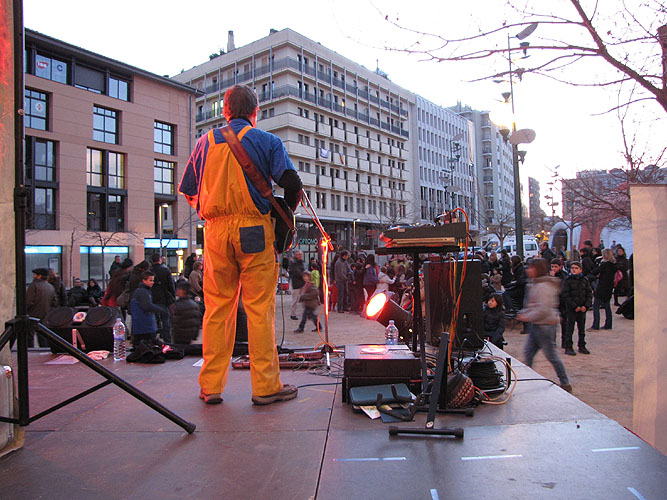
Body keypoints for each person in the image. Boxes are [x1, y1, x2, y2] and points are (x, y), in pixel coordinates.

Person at [179, 84, 302, 406]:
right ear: (255, 112)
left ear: (225, 111)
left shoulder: (204, 143)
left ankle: (211, 386)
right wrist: (285, 217)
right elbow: (292, 182)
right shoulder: (267, 141)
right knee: (259, 310)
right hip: (254, 230)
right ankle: (265, 387)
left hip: (215, 231)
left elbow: (189, 189)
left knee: (217, 309)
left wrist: (210, 209)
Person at [517, 258, 572, 393]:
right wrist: (525, 313)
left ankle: (565, 382)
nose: (528, 270)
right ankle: (526, 381)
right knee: (528, 354)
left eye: (531, 268)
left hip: (545, 326)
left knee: (551, 355)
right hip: (538, 325)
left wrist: (527, 316)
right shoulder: (535, 284)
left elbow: (543, 309)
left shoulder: (543, 287)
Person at [129, 271, 169, 346]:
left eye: (153, 280)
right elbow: (147, 306)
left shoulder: (141, 291)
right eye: (150, 280)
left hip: (141, 325)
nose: (152, 282)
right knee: (147, 345)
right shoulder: (143, 292)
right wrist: (162, 309)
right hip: (145, 326)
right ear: (144, 281)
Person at [561, 261, 593, 355]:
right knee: (570, 328)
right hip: (572, 309)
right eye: (572, 268)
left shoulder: (585, 280)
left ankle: (582, 345)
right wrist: (574, 306)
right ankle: (568, 346)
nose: (574, 270)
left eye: (576, 268)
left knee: (581, 328)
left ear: (580, 270)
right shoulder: (567, 280)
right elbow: (566, 295)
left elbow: (589, 293)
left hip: (582, 308)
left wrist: (586, 306)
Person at [26, 267, 56, 347]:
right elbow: (54, 302)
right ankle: (44, 350)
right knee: (42, 335)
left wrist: (25, 311)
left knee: (29, 337)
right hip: (45, 314)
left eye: (35, 274)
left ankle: (30, 351)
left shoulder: (34, 286)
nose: (33, 276)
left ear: (39, 276)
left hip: (32, 314)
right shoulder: (50, 286)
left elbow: (28, 301)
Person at [150, 253, 175, 343]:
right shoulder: (165, 270)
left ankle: (154, 338)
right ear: (159, 260)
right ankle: (167, 339)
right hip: (164, 297)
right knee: (165, 319)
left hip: (152, 297)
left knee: (154, 318)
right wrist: (172, 296)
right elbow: (171, 284)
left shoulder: (149, 271)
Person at [590, 248, 616, 330]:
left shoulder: (604, 264)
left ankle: (595, 325)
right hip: (609, 287)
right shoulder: (613, 265)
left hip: (602, 287)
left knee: (596, 306)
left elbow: (595, 271)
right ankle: (608, 324)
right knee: (607, 306)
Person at [288, 250, 306, 320]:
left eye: (301, 254)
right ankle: (293, 314)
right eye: (299, 254)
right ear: (296, 255)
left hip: (302, 282)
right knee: (295, 300)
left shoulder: (302, 262)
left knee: (304, 299)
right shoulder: (294, 263)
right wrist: (304, 276)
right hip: (296, 283)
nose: (300, 256)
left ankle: (306, 313)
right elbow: (296, 272)